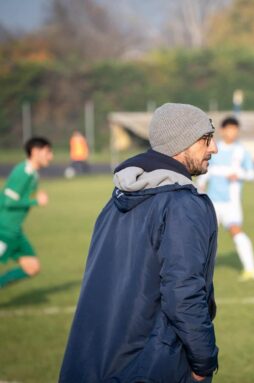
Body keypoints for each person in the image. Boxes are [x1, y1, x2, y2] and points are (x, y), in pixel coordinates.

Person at [60, 103, 219, 383]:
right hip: (153, 365)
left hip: (97, 361)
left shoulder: (117, 199)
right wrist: (203, 363)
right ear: (181, 143)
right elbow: (183, 292)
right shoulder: (182, 205)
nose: (214, 148)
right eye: (206, 139)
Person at [197, 116, 254, 282]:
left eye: (235, 129)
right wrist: (201, 184)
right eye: (229, 129)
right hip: (212, 202)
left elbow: (252, 175)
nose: (232, 132)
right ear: (223, 130)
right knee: (206, 235)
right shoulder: (213, 149)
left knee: (235, 231)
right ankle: (200, 271)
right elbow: (206, 171)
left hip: (231, 203)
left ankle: (251, 269)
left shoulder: (241, 152)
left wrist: (239, 174)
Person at [0, 137, 53, 288]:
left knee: (32, 267)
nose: (51, 156)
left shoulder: (34, 174)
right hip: (3, 230)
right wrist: (36, 201)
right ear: (36, 152)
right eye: (48, 152)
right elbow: (8, 202)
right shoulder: (23, 172)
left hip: (15, 232)